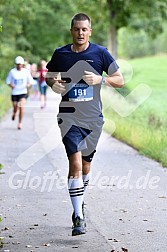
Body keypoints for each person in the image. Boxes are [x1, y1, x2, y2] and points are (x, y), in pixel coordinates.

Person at [46, 13, 124, 236]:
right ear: (71, 30)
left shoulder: (100, 53)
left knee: (86, 166)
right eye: (76, 29)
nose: (80, 33)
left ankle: (80, 202)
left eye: (84, 29)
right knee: (76, 163)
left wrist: (102, 79)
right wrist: (54, 84)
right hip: (69, 117)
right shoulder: (60, 54)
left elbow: (120, 80)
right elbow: (49, 75)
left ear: (90, 31)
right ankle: (78, 217)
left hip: (93, 119)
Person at [6, 56, 33, 129]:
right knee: (15, 107)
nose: (19, 65)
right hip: (15, 92)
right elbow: (8, 81)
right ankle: (14, 112)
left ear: (22, 64)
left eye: (20, 64)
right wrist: (11, 85)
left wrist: (28, 85)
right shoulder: (12, 72)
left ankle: (20, 123)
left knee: (21, 106)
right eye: (17, 64)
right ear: (16, 64)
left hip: (23, 92)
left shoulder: (26, 72)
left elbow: (31, 81)